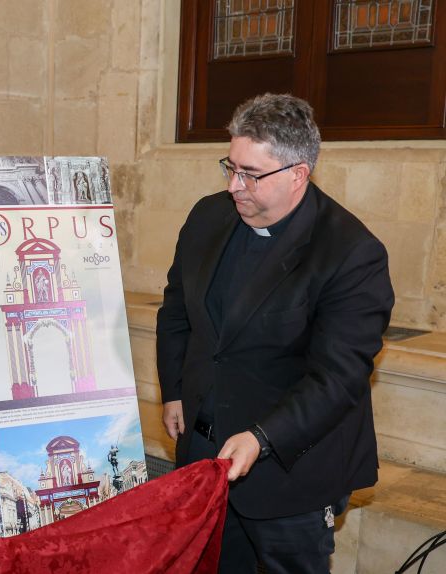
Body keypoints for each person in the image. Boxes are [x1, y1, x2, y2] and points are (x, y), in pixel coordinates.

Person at [156, 93, 393, 573]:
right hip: (205, 453)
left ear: (297, 174)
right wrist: (175, 390)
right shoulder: (209, 216)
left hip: (291, 468)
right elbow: (178, 308)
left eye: (250, 174)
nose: (234, 185)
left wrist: (262, 438)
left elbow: (338, 378)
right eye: (230, 166)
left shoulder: (350, 253)